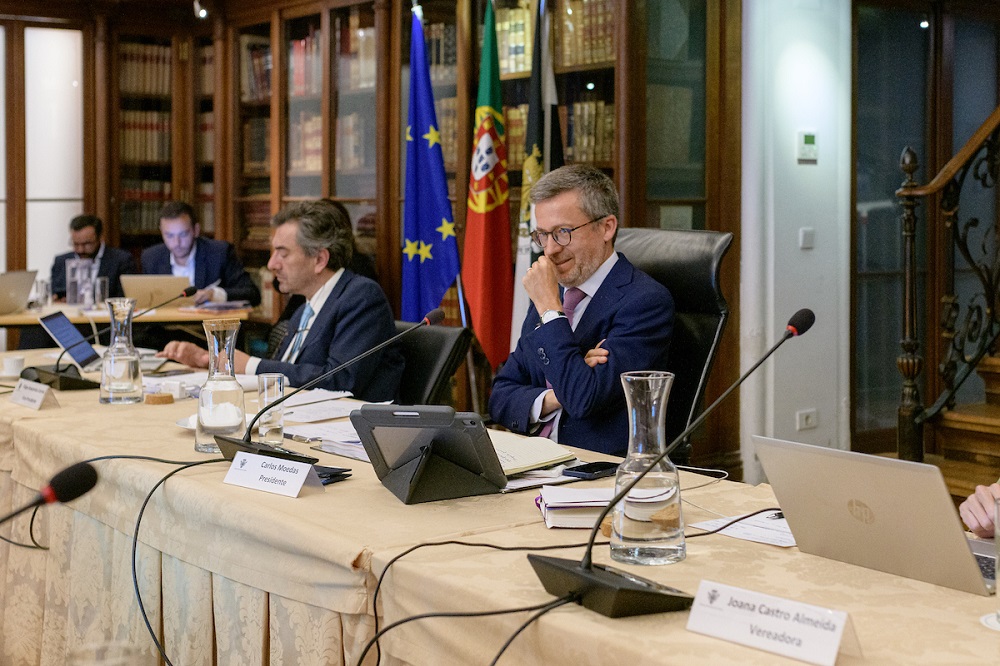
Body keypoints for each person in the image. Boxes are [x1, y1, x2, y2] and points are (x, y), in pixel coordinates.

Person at [489, 165, 674, 456]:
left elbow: (583, 398)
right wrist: (555, 395)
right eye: (542, 235)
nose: (549, 250)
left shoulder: (644, 302)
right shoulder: (549, 292)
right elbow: (501, 394)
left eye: (562, 232)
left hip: (597, 474)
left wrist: (551, 312)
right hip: (535, 464)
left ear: (606, 227)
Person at [158, 200, 403, 401]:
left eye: (282, 254)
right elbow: (286, 375)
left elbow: (338, 381)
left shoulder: (361, 297)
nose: (272, 264)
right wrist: (211, 361)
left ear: (319, 260)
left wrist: (249, 364)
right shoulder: (303, 310)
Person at [141, 201, 261, 306]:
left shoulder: (219, 253)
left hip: (206, 328)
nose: (176, 243)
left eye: (183, 234)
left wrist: (214, 294)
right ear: (161, 232)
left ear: (196, 230)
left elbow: (252, 294)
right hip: (164, 329)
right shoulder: (151, 257)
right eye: (169, 235)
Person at [50, 215, 135, 300]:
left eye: (87, 244)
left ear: (100, 237)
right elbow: (54, 293)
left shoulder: (121, 260)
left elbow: (124, 299)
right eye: (76, 244)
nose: (80, 250)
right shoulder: (61, 261)